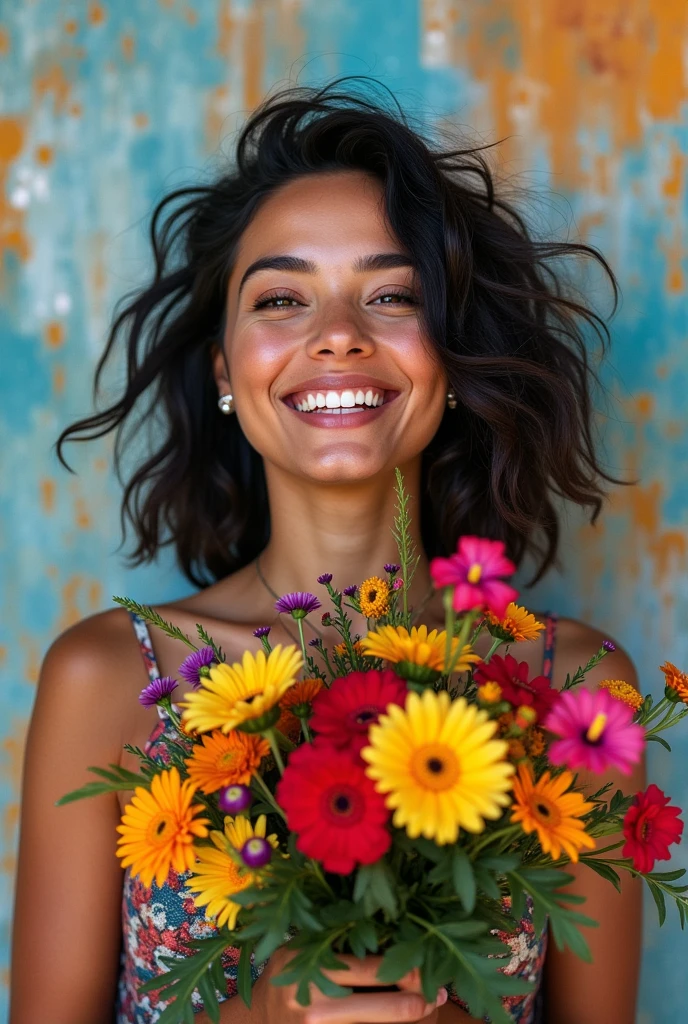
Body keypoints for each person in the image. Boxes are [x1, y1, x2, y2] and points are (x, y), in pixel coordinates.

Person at [11, 80, 643, 1024]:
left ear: (452, 356)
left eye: (392, 294)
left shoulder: (577, 692)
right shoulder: (105, 679)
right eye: (281, 298)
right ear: (227, 367)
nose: (339, 335)